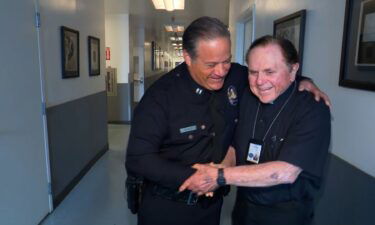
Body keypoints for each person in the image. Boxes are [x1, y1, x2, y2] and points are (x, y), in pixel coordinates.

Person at [126, 17, 329, 225]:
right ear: (187, 57)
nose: (221, 71)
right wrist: (194, 177)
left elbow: (274, 73)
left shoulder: (237, 77)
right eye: (211, 64)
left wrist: (305, 81)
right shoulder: (160, 97)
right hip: (167, 209)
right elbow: (137, 158)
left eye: (226, 61)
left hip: (212, 208)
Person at [179, 35, 331, 225]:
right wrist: (221, 166)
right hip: (244, 209)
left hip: (285, 215)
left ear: (293, 71)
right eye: (253, 72)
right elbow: (235, 146)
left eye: (269, 71)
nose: (260, 81)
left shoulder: (312, 109)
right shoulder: (248, 98)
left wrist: (219, 176)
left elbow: (286, 172)